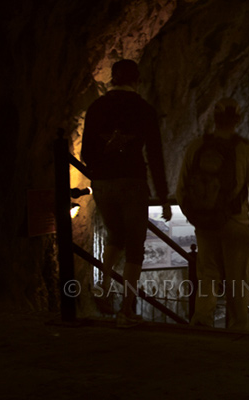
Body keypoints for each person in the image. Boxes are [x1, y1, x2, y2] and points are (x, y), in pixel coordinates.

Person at [81, 59, 172, 328]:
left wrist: (101, 171)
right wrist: (163, 196)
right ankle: (126, 310)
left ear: (112, 79)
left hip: (103, 183)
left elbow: (86, 152)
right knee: (134, 249)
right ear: (137, 81)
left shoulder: (97, 107)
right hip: (132, 181)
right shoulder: (143, 109)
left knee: (115, 236)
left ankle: (104, 283)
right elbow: (154, 154)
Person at [176, 98, 249, 330]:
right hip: (237, 225)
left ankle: (202, 323)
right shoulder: (246, 150)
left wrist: (196, 216)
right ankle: (238, 330)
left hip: (206, 225)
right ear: (238, 119)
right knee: (237, 281)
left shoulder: (196, 146)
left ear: (214, 119)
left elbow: (180, 190)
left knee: (207, 276)